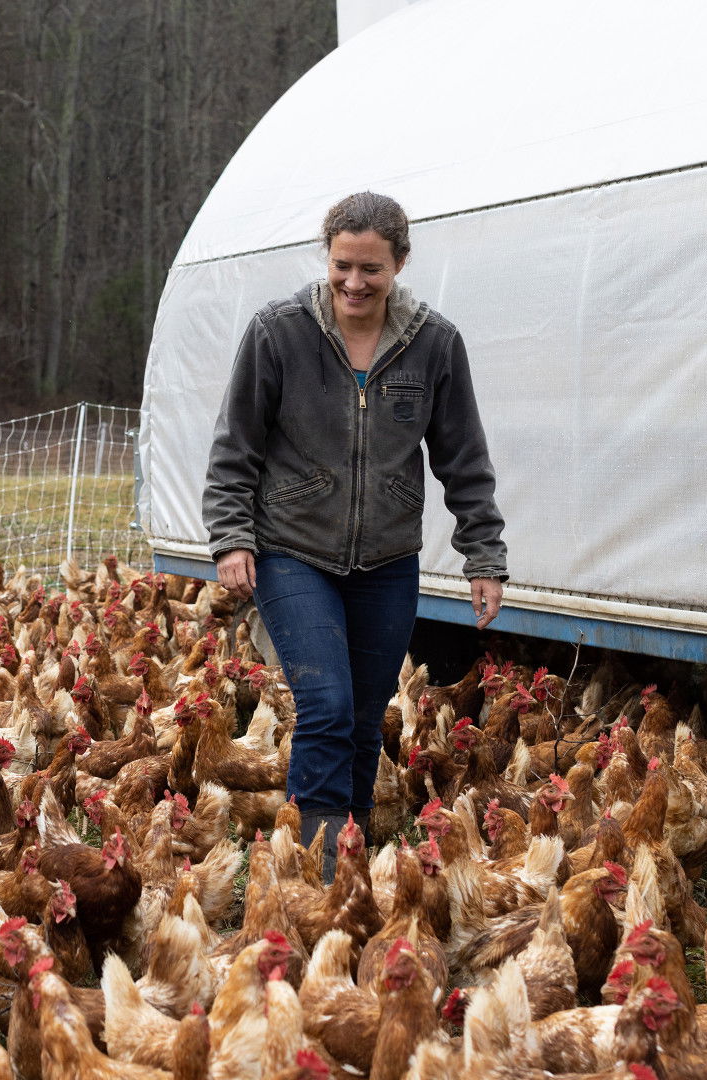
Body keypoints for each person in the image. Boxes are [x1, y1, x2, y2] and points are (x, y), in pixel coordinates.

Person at [203, 191, 507, 881]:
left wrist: (483, 556)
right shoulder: (278, 333)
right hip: (292, 549)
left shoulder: (434, 344)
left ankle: (352, 860)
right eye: (342, 265)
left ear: (400, 263)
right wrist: (233, 536)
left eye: (371, 268)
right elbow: (235, 447)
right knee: (327, 706)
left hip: (387, 559)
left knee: (368, 715)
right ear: (327, 257)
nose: (354, 282)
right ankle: (315, 868)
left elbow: (464, 459)